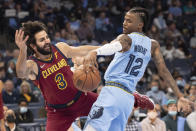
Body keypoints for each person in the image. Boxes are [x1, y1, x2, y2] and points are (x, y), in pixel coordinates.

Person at [82, 7, 191, 131]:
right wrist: (180, 95)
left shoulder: (126, 38)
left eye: (129, 21)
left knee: (91, 128)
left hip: (112, 92)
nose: (124, 23)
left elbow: (114, 46)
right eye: (124, 20)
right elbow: (164, 71)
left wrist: (96, 52)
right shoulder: (152, 44)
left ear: (140, 25)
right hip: (127, 99)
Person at [14, 21, 99, 131]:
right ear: (33, 46)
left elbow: (82, 50)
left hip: (82, 98)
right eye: (42, 40)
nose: (47, 41)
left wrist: (107, 47)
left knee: (112, 105)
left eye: (47, 37)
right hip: (59, 112)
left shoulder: (60, 48)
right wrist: (22, 50)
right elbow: (21, 73)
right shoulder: (33, 64)